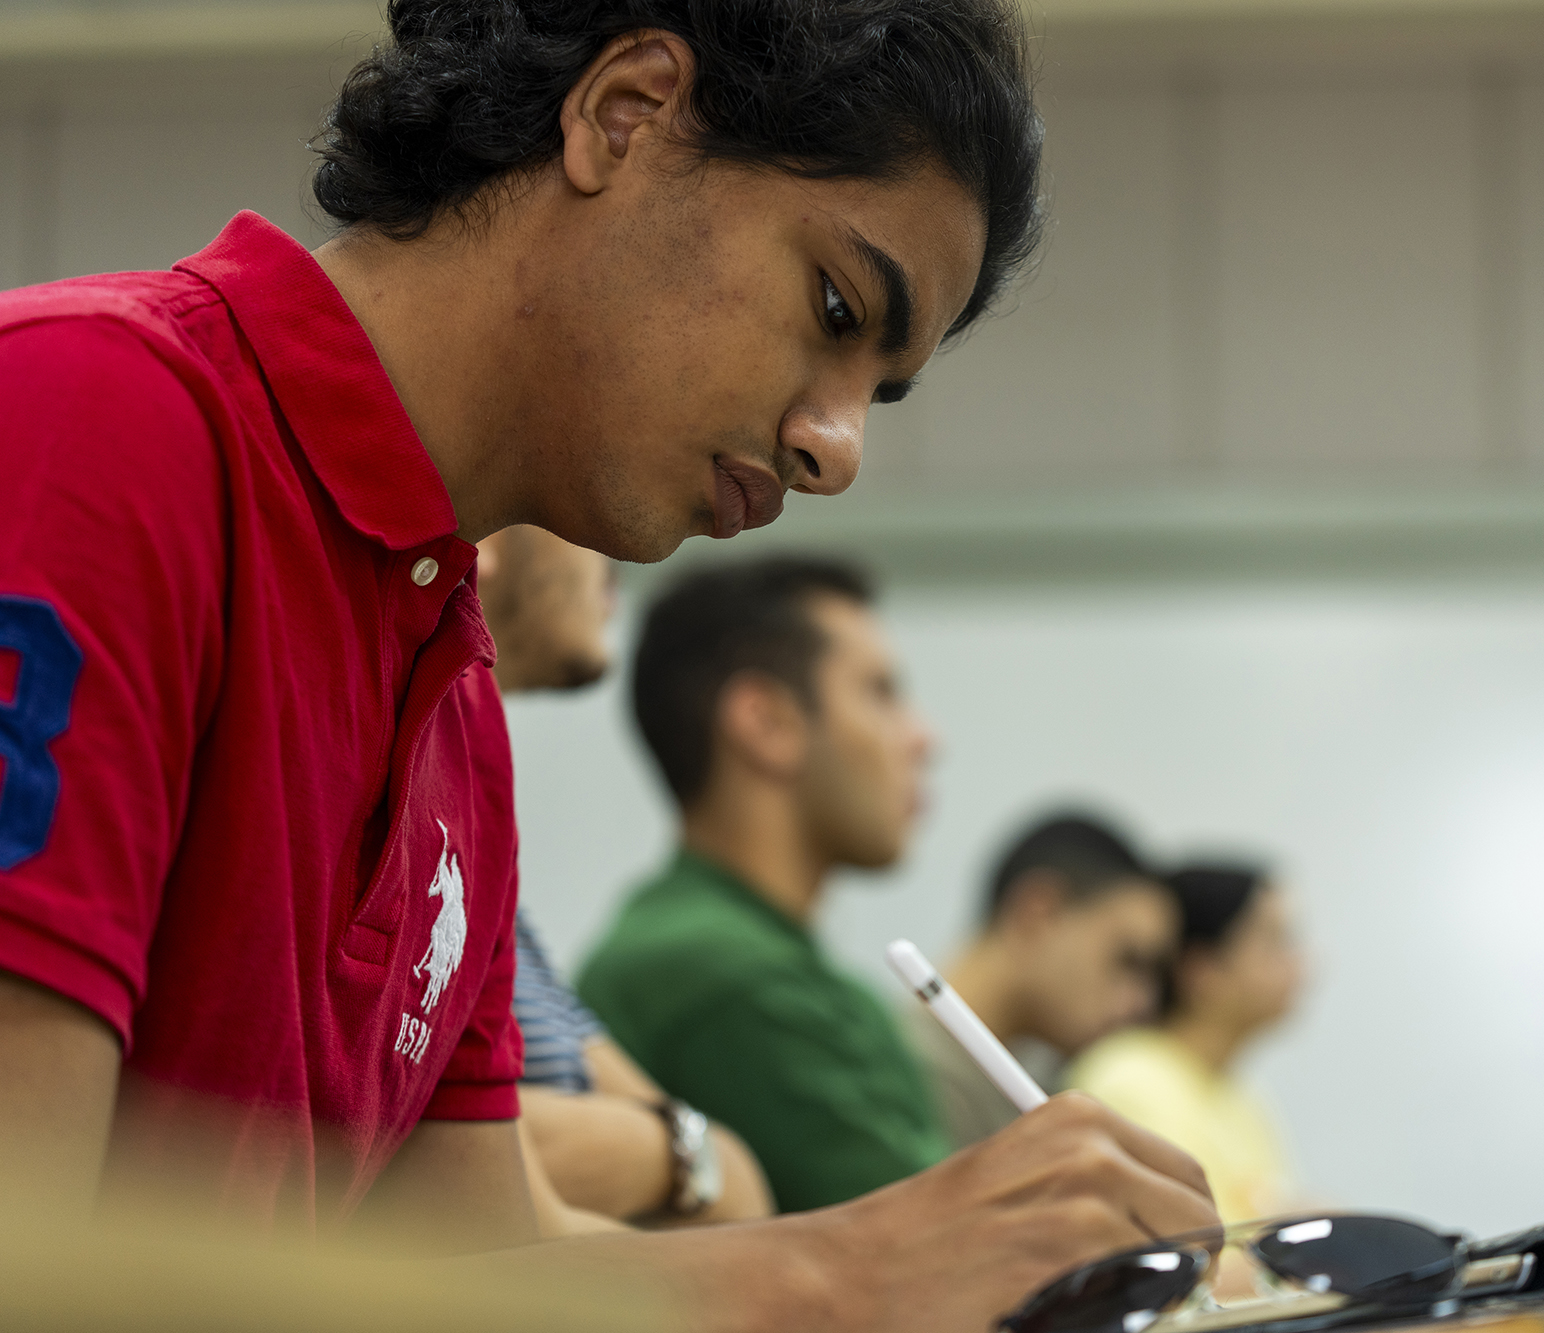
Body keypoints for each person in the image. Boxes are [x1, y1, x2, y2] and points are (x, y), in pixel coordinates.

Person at [0, 0, 1220, 1325]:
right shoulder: (93, 416)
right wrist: (835, 1271)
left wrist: (902, 1257)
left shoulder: (453, 706)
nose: (837, 448)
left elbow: (483, 1285)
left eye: (878, 388)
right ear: (626, 112)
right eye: (833, 304)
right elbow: (29, 1248)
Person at [579, 556, 948, 1213]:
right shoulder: (733, 978)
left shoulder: (700, 943)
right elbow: (960, 1255)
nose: (925, 737)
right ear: (767, 723)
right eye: (881, 692)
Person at [476, 525, 772, 1231]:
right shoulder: (386, 817)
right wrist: (684, 1154)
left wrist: (680, 1153)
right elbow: (437, 1171)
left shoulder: (482, 851)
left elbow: (728, 1178)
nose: (620, 548)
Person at [908, 813, 1180, 1150]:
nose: (1142, 1001)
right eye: (1128, 961)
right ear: (1039, 912)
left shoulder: (1039, 1090)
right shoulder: (899, 1069)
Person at [1068, 862, 1307, 1225]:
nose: (1301, 964)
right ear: (1202, 969)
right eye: (1274, 942)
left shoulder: (1244, 1101)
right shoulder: (1130, 1078)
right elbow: (1181, 1264)